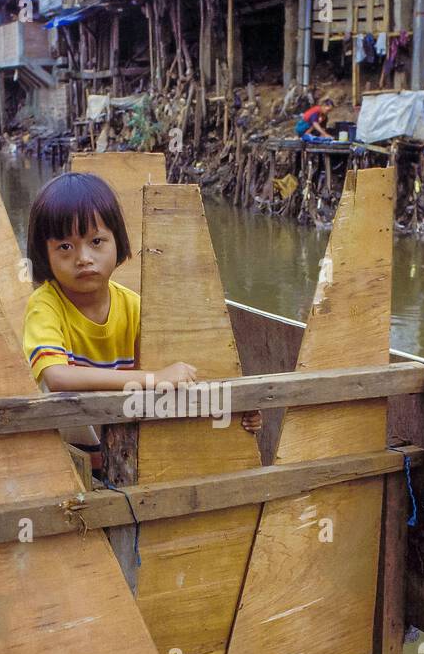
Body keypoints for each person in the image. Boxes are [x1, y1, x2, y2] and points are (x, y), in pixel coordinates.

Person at [22, 172, 260, 465]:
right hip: (65, 452)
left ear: (117, 243)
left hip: (121, 439)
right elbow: (58, 377)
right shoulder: (45, 305)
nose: (83, 257)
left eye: (96, 241)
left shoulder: (135, 307)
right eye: (65, 247)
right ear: (44, 256)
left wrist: (236, 407)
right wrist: (153, 379)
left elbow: (182, 369)